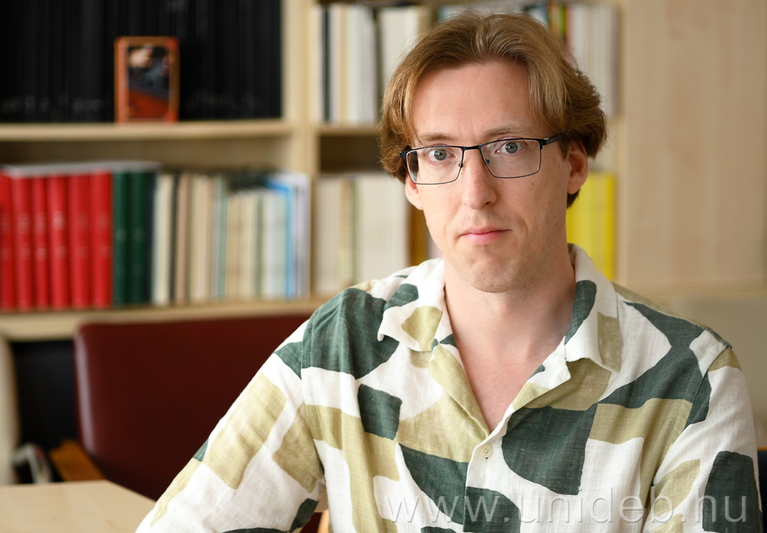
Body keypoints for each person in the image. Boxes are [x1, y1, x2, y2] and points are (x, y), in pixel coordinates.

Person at [137, 12, 761, 532]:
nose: (475, 192)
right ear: (411, 181)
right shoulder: (345, 343)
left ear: (574, 164)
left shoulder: (693, 377)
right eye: (440, 154)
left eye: (509, 147)